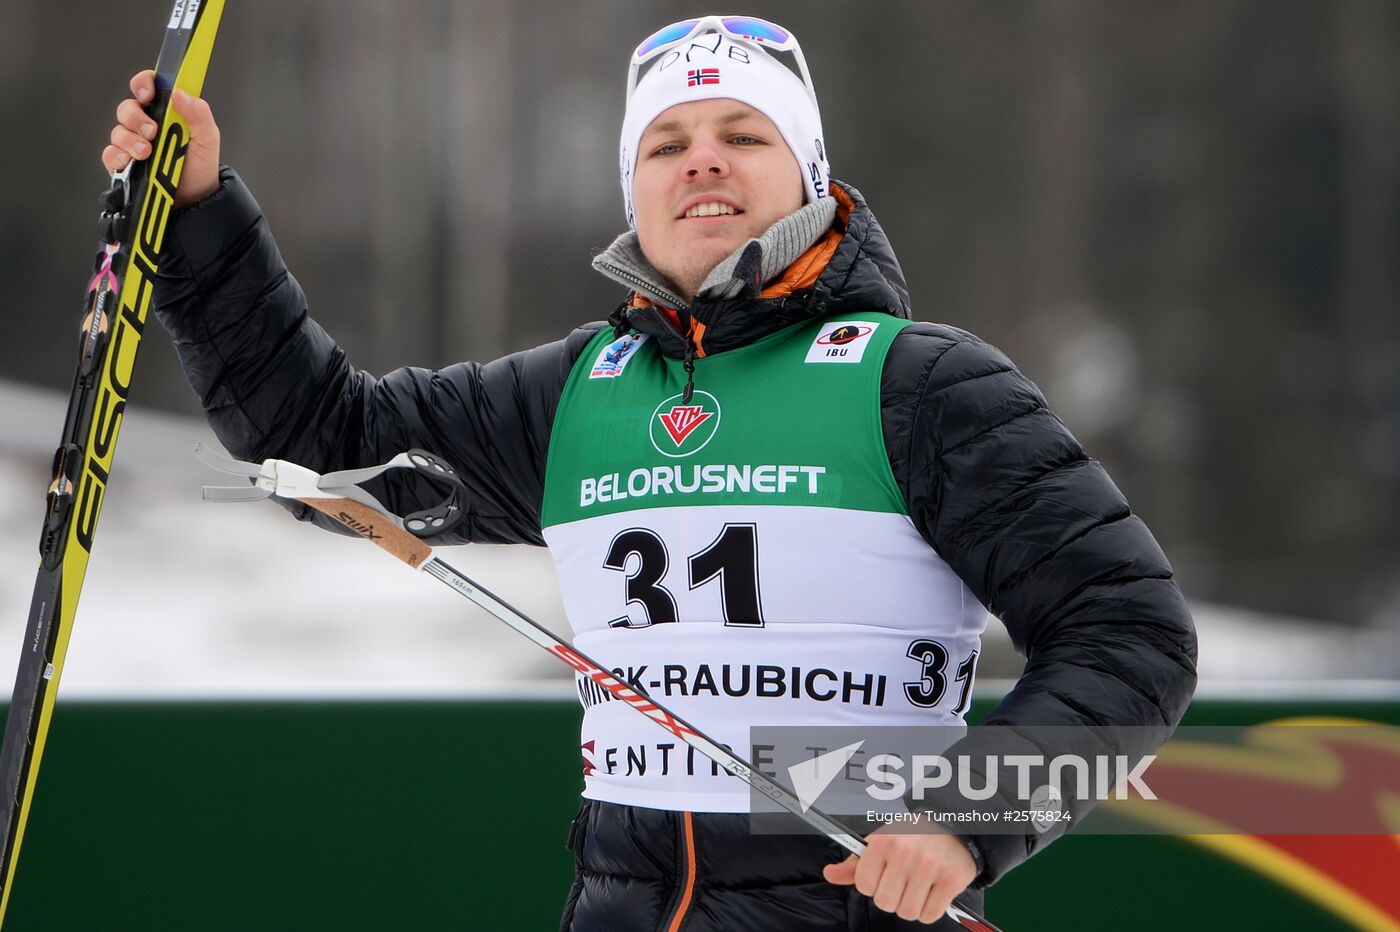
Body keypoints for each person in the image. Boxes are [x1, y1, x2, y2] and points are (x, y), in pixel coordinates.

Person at [107, 15, 1196, 930]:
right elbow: (321, 441)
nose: (701, 159)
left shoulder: (919, 384)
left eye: (741, 134)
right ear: (634, 189)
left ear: (811, 175)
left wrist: (964, 818)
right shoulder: (580, 389)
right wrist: (199, 217)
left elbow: (1131, 628)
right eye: (664, 142)